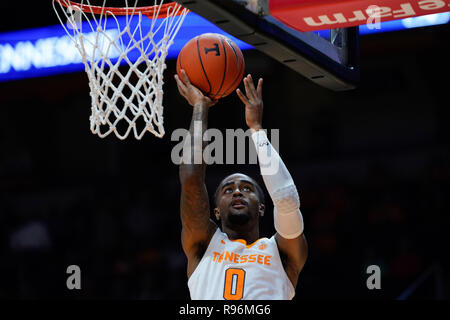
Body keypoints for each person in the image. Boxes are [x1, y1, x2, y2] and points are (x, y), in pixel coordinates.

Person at [174, 70, 308, 300]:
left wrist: (256, 130)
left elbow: (286, 200)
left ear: (262, 207)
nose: (237, 191)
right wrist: (199, 107)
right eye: (228, 190)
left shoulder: (282, 251)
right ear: (215, 211)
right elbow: (191, 180)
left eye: (247, 189)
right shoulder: (204, 243)